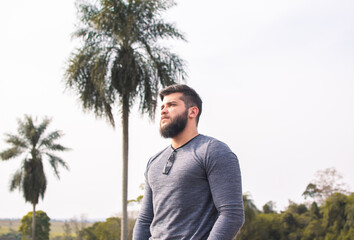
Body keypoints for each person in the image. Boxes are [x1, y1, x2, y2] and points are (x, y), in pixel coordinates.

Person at [133, 84, 244, 240]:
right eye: (162, 106)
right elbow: (145, 219)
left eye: (171, 105)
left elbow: (232, 214)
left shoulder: (213, 151)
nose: (163, 110)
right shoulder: (154, 161)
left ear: (192, 111)